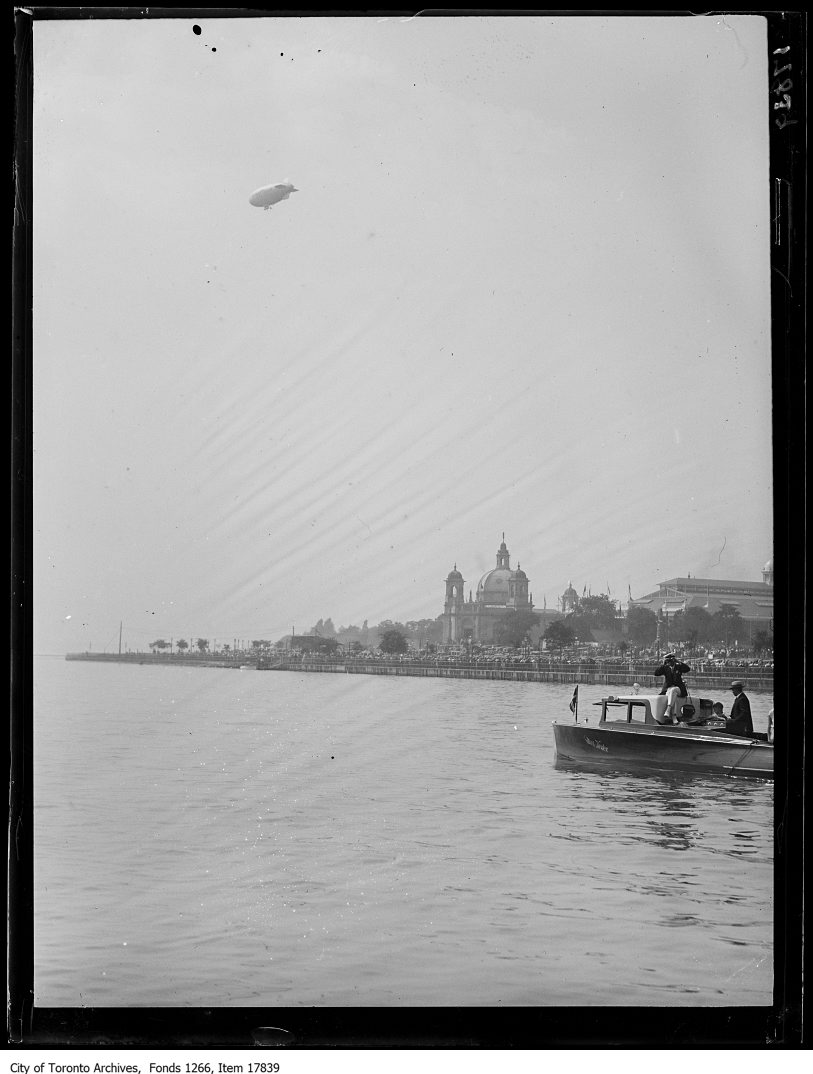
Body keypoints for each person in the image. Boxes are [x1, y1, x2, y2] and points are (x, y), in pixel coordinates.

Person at [654, 652, 691, 722]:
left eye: (670, 661)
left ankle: (668, 709)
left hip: (679, 689)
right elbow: (656, 673)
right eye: (668, 661)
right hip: (669, 690)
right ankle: (674, 718)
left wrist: (678, 661)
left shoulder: (678, 667)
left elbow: (687, 669)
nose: (669, 663)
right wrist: (663, 664)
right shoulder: (665, 668)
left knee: (673, 690)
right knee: (672, 694)